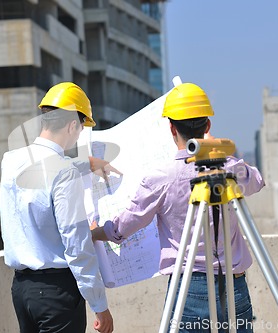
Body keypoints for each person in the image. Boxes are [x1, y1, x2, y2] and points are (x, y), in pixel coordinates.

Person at [92, 82, 265, 333]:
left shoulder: (161, 177)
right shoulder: (227, 167)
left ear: (171, 128)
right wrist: (219, 154)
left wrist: (97, 232)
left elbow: (125, 225)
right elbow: (257, 180)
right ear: (207, 126)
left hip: (188, 289)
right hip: (233, 285)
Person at [0, 82, 114, 333]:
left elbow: (43, 169)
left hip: (21, 290)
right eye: (81, 128)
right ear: (73, 124)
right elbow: (76, 245)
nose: (79, 134)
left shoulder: (10, 161)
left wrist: (86, 163)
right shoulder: (64, 172)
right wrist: (99, 304)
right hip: (56, 293)